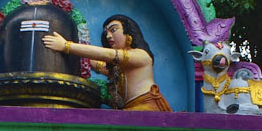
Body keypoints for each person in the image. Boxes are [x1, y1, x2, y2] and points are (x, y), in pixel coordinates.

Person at [41, 14, 171, 111]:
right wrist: (75, 52)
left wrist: (67, 46)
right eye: (106, 33)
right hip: (131, 109)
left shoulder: (141, 56)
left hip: (148, 106)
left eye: (113, 30)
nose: (108, 36)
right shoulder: (119, 67)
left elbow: (109, 55)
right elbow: (99, 64)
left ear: (128, 32)